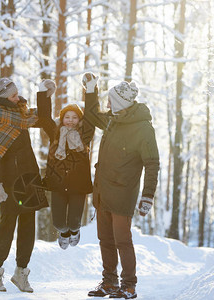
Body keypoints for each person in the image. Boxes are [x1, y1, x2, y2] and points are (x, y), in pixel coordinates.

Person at [82, 73, 160, 299]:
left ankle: (128, 285)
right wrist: (90, 89)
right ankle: (109, 282)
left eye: (110, 100)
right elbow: (91, 113)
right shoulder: (112, 120)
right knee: (105, 240)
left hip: (123, 193)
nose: (107, 104)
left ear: (120, 103)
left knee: (122, 241)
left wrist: (147, 196)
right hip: (102, 191)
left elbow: (152, 163)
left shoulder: (143, 128)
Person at [0, 76, 56, 293]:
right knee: (7, 225)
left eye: (17, 95)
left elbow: (44, 118)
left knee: (28, 227)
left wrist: (44, 94)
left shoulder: (19, 115)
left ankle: (21, 273)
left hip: (29, 178)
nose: (18, 98)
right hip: (10, 183)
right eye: (14, 96)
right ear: (4, 98)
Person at [40, 90, 95, 249]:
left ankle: (75, 231)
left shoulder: (85, 135)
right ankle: (64, 233)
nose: (70, 121)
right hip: (57, 183)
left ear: (79, 120)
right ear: (62, 119)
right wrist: (43, 93)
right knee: (58, 222)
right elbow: (44, 118)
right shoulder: (55, 133)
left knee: (74, 221)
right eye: (67, 117)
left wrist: (91, 91)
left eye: (74, 117)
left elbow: (91, 117)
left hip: (78, 185)